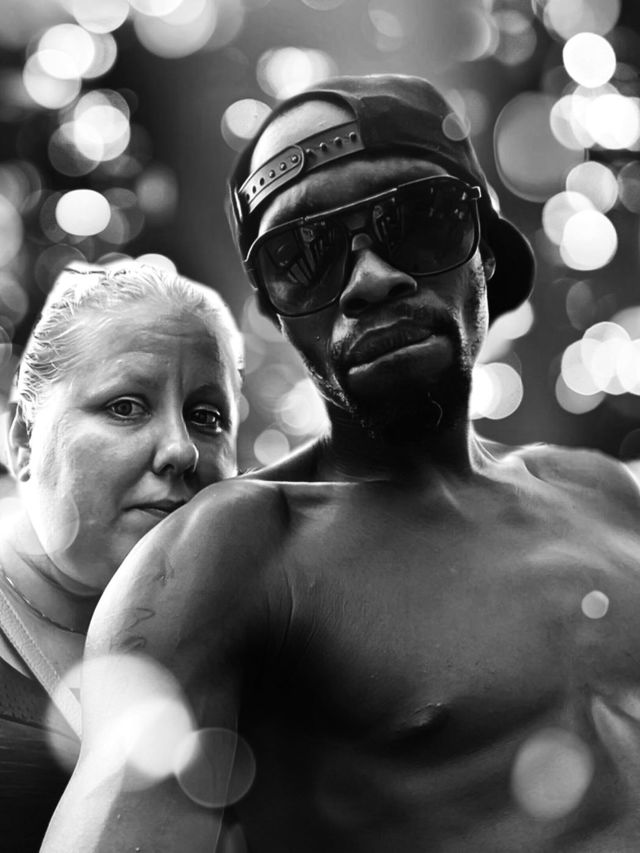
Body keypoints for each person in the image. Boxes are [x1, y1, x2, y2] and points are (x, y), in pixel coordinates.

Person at [42, 75, 640, 853]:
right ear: (276, 310)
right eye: (304, 256)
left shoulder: (599, 491)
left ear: (486, 253)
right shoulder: (228, 555)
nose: (370, 279)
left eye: (418, 220)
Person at [0, 263, 243, 853]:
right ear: (24, 439)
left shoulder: (258, 635)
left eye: (207, 417)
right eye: (126, 406)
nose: (182, 450)